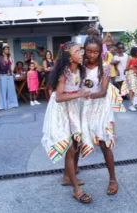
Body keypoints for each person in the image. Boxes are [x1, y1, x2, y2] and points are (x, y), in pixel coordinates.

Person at [42, 41, 92, 204]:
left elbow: (78, 87)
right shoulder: (64, 72)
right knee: (70, 148)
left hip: (74, 108)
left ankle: (67, 177)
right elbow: (59, 97)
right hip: (61, 110)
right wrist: (79, 94)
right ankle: (76, 190)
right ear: (69, 56)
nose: (81, 53)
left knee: (76, 145)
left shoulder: (79, 69)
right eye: (77, 51)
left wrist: (84, 91)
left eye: (81, 51)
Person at [80, 35, 121, 196]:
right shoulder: (80, 67)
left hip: (101, 108)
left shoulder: (105, 67)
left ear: (99, 52)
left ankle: (113, 179)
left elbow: (103, 92)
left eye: (95, 52)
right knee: (76, 141)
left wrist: (86, 94)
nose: (91, 55)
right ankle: (69, 175)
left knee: (104, 144)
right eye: (88, 51)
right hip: (84, 107)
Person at [0, 44, 19, 110]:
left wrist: (11, 72)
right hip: (2, 75)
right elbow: (3, 67)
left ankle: (12, 104)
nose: (7, 50)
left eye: (8, 49)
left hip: (9, 75)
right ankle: (3, 106)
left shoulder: (9, 56)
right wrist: (6, 62)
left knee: (11, 90)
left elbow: (10, 66)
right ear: (3, 50)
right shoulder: (0, 58)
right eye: (6, 49)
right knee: (3, 91)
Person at [121, 47, 137, 111]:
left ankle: (136, 102)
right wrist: (130, 67)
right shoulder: (130, 58)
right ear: (134, 52)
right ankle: (130, 105)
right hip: (131, 74)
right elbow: (126, 69)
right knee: (132, 88)